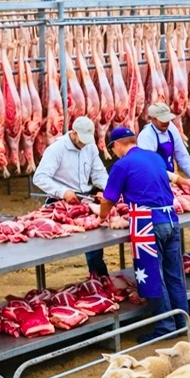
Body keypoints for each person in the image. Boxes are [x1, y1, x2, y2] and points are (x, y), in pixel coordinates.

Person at [98, 126, 189, 343]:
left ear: (118, 145)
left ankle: (165, 327)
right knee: (174, 274)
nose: (114, 152)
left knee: (152, 276)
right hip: (170, 218)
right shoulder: (154, 157)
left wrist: (101, 217)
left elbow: (108, 199)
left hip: (147, 223)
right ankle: (182, 322)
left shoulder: (122, 164)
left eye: (113, 148)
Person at [32, 116, 110, 277]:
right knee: (56, 242)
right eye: (82, 139)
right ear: (74, 133)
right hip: (60, 204)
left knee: (94, 241)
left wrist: (110, 190)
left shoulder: (90, 147)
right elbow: (40, 177)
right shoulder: (56, 149)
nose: (84, 143)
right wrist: (63, 192)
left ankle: (99, 278)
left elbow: (98, 174)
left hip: (85, 200)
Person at [137, 102, 190, 184]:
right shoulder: (146, 136)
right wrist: (177, 179)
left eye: (168, 119)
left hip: (170, 181)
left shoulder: (170, 127)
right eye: (163, 120)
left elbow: (181, 154)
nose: (166, 123)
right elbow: (150, 166)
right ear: (153, 119)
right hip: (153, 183)